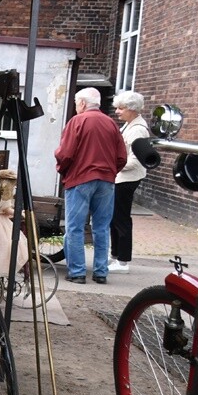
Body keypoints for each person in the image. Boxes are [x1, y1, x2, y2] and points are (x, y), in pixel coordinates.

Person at [54, 87, 126, 285]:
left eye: (77, 103)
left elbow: (65, 153)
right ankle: (100, 272)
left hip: (80, 179)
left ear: (83, 103)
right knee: (101, 228)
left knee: (75, 227)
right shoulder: (112, 124)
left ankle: (77, 272)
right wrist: (110, 172)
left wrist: (62, 169)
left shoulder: (77, 121)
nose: (76, 107)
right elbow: (122, 157)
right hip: (106, 181)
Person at [110, 91, 151, 273]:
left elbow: (135, 160)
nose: (117, 112)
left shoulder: (137, 130)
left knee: (121, 218)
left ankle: (123, 260)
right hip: (122, 177)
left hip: (127, 178)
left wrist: (113, 165)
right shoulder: (129, 126)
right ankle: (116, 255)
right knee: (115, 217)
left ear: (132, 109)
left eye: (121, 108)